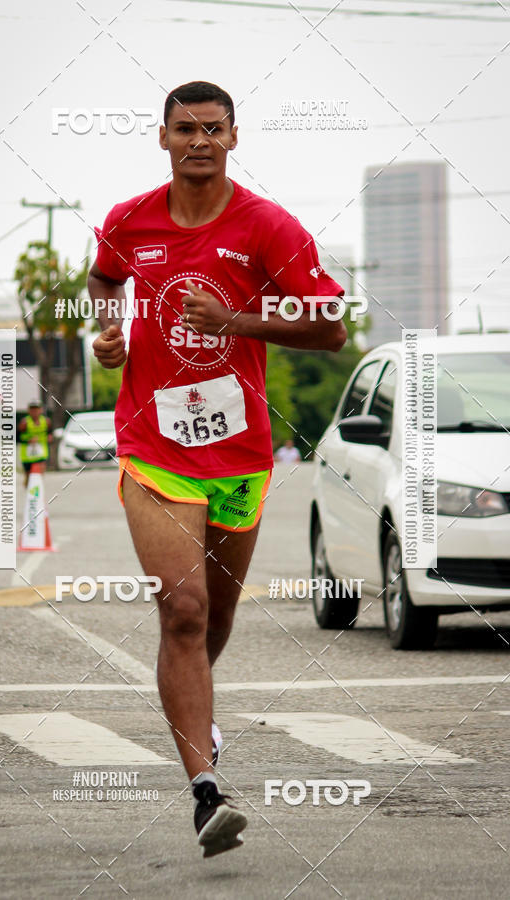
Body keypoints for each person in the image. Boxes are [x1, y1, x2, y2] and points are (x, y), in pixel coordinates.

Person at [89, 80, 346, 858]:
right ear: (161, 138)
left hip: (238, 455)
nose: (198, 140)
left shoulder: (268, 227)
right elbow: (105, 278)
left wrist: (234, 320)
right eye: (184, 128)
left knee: (218, 620)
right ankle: (206, 793)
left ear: (234, 138)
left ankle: (195, 715)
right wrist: (109, 330)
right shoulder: (128, 220)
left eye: (212, 129)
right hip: (153, 447)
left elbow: (330, 329)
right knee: (184, 610)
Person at [18, 401, 52, 487]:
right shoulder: (24, 422)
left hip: (41, 452)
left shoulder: (46, 421)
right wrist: (28, 441)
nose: (35, 412)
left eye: (36, 409)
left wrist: (49, 437)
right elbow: (16, 438)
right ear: (29, 411)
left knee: (39, 473)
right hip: (27, 455)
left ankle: (37, 489)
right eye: (32, 410)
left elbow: (49, 433)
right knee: (28, 476)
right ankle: (28, 489)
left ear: (41, 410)